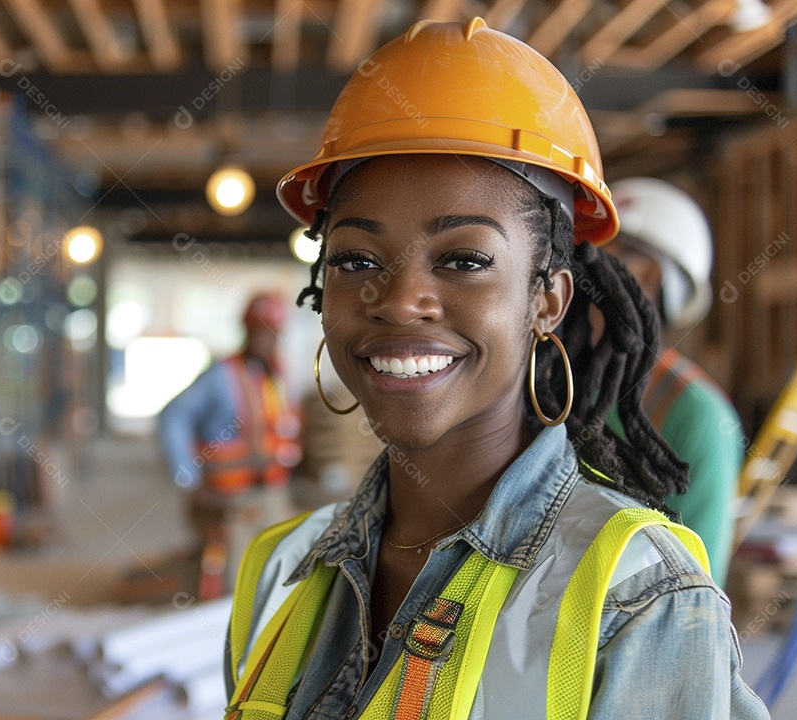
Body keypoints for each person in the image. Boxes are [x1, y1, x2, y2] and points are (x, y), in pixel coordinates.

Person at [223, 18, 768, 719]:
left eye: (463, 260)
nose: (397, 301)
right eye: (355, 260)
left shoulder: (638, 599)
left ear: (547, 299)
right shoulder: (280, 570)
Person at [604, 177, 744, 585]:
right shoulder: (548, 379)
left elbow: (694, 592)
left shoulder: (696, 415)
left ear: (646, 277)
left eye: (595, 253)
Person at [158, 292, 300, 594]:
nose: (266, 341)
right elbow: (173, 416)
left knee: (281, 574)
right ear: (246, 331)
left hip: (271, 494)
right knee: (235, 583)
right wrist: (187, 477)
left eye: (272, 333)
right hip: (232, 500)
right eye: (259, 332)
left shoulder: (276, 377)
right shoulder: (221, 376)